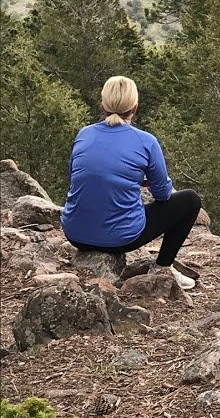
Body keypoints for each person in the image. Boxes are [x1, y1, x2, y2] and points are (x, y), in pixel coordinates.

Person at [61, 76, 202, 289]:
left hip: (75, 234)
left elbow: (78, 177)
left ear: (102, 105)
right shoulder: (146, 141)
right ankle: (163, 268)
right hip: (121, 239)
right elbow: (163, 195)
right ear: (134, 108)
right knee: (190, 200)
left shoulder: (84, 134)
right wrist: (142, 180)